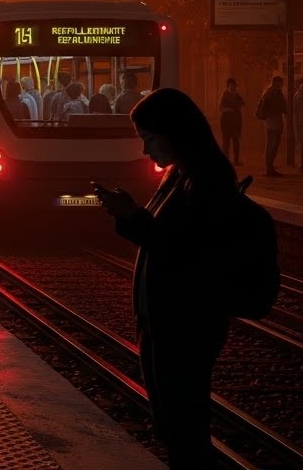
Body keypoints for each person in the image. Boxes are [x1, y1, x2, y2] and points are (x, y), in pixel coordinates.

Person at [95, 88, 234, 468]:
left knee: (183, 424)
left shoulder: (207, 181)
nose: (146, 150)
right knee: (173, 422)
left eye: (150, 138)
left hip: (185, 322)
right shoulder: (180, 174)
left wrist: (131, 217)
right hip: (165, 321)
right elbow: (165, 236)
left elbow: (183, 248)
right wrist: (130, 215)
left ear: (175, 131)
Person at [257, 75, 288, 177]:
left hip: (268, 122)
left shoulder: (267, 92)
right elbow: (282, 106)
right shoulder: (275, 93)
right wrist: (285, 111)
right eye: (281, 83)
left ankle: (269, 167)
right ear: (277, 83)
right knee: (274, 145)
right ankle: (269, 168)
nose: (282, 85)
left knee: (269, 144)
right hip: (275, 121)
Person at [218, 77, 245, 166]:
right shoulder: (225, 94)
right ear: (228, 85)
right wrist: (230, 109)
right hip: (226, 121)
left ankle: (236, 160)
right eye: (231, 85)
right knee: (226, 141)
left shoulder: (237, 95)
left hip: (236, 122)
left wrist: (238, 108)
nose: (233, 86)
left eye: (234, 85)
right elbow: (221, 108)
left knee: (236, 141)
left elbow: (242, 104)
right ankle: (226, 160)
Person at [294, 80, 303, 170]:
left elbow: (295, 112)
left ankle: (301, 163)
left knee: (301, 142)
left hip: (300, 121)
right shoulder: (298, 95)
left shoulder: (296, 95)